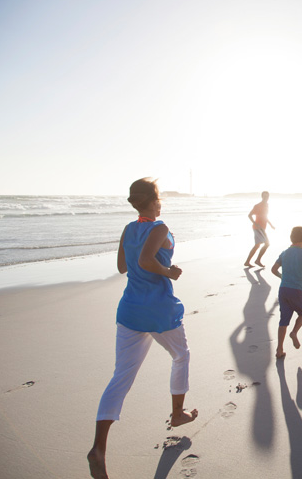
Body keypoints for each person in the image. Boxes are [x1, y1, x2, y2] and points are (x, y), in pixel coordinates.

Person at [87, 178, 198, 479]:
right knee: (181, 355)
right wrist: (169, 272)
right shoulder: (159, 228)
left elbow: (124, 266)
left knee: (120, 378)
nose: (161, 201)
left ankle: (98, 448)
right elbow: (146, 260)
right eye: (159, 196)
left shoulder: (129, 228)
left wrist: (147, 261)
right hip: (159, 310)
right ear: (152, 200)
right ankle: (177, 414)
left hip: (130, 312)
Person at [271, 226, 302, 359]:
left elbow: (273, 269)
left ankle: (279, 349)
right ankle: (294, 332)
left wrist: (282, 277)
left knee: (283, 320)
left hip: (283, 290)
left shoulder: (284, 253)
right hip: (296, 290)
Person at [244, 191, 275, 267]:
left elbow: (265, 216)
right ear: (262, 197)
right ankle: (257, 260)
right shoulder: (257, 206)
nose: (266, 198)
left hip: (262, 228)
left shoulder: (267, 205)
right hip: (258, 228)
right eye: (264, 196)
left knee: (257, 245)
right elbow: (249, 215)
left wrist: (271, 225)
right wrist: (255, 223)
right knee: (267, 243)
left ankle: (247, 262)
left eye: (267, 197)